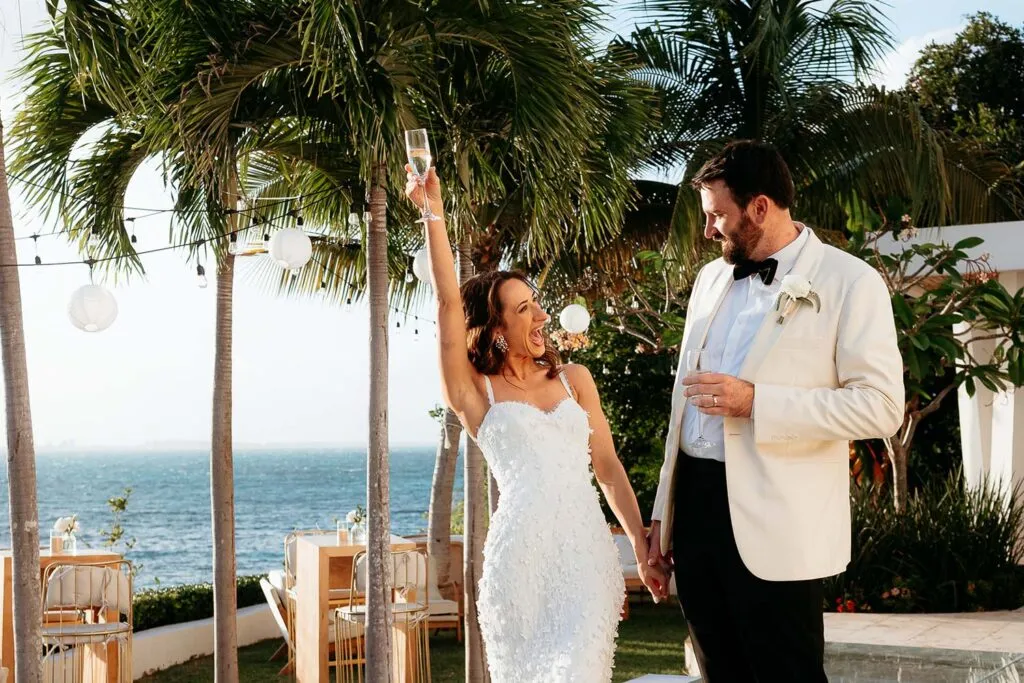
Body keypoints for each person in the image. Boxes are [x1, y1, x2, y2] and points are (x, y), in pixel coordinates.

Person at [646, 140, 905, 681]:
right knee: (719, 671)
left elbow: (881, 408)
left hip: (780, 525)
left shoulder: (851, 282)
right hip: (696, 509)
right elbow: (683, 406)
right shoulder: (710, 279)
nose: (709, 230)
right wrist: (663, 517)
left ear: (759, 208)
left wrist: (758, 402)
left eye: (718, 215)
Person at [404, 164, 666, 682]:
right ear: (497, 326)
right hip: (518, 565)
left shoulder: (576, 380)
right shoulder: (474, 394)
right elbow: (447, 303)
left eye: (536, 303)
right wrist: (431, 211)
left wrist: (640, 545)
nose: (542, 316)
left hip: (586, 558)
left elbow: (608, 468)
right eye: (524, 309)